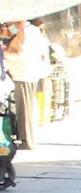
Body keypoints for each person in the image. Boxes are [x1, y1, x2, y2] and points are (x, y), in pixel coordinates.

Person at [4, 20, 51, 149]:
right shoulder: (31, 31)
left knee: (24, 109)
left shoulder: (26, 33)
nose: (10, 27)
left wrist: (4, 54)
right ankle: (27, 139)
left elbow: (22, 55)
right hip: (26, 74)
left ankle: (27, 141)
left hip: (24, 74)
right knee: (26, 108)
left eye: (11, 24)